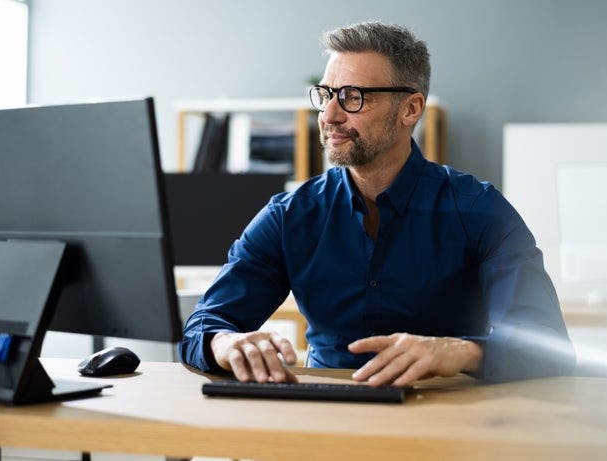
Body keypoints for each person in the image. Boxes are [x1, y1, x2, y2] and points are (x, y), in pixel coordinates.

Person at [178, 21, 575, 386]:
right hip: (323, 421)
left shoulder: (480, 211)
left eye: (353, 97)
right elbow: (203, 327)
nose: (329, 115)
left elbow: (548, 348)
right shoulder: (289, 216)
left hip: (446, 420)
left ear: (411, 108)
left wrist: (460, 351)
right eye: (326, 94)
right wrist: (226, 343)